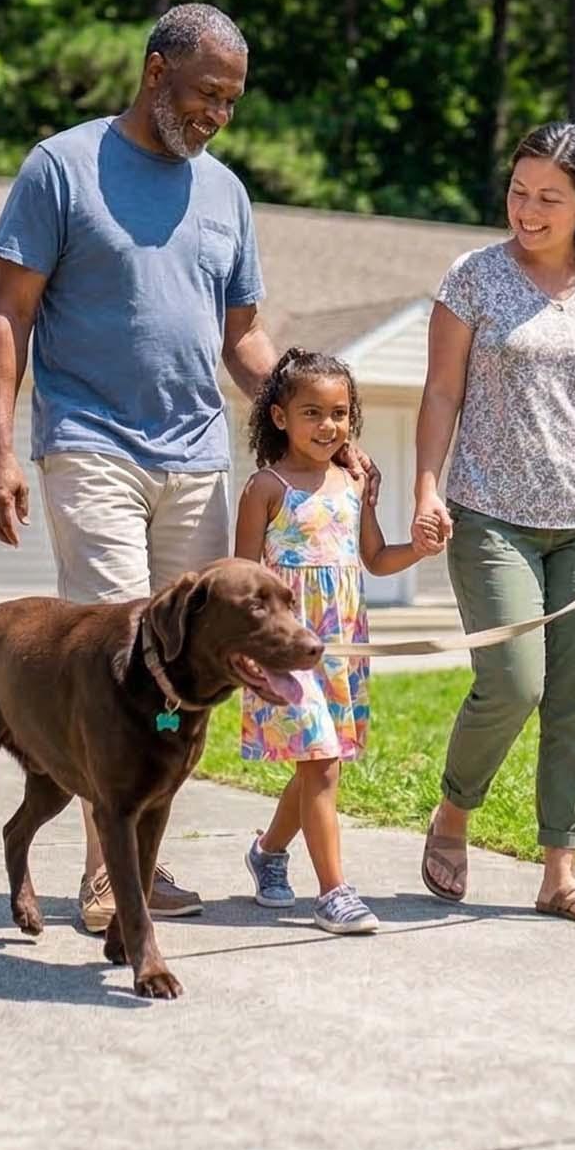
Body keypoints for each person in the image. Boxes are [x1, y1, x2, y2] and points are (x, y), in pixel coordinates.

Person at [0, 3, 368, 934]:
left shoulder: (225, 193)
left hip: (195, 454)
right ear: (155, 72)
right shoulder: (60, 168)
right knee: (116, 660)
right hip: (91, 443)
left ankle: (139, 858)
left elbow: (243, 339)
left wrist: (308, 423)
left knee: (182, 675)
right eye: (204, 95)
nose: (217, 115)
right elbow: (7, 315)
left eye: (231, 102)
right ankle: (107, 880)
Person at [410, 121, 575, 927]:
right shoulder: (475, 278)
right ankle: (455, 812)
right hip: (491, 514)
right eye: (518, 192)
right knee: (515, 681)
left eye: (549, 198)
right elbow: (442, 392)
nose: (526, 210)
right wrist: (427, 488)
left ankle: (560, 871)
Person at [233, 349, 443, 935]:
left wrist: (420, 550)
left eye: (340, 413)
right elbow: (243, 577)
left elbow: (374, 559)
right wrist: (248, 649)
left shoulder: (353, 484)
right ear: (279, 418)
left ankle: (268, 853)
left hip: (342, 645)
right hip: (286, 651)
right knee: (321, 763)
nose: (329, 426)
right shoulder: (265, 488)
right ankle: (334, 894)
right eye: (313, 413)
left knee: (318, 766)